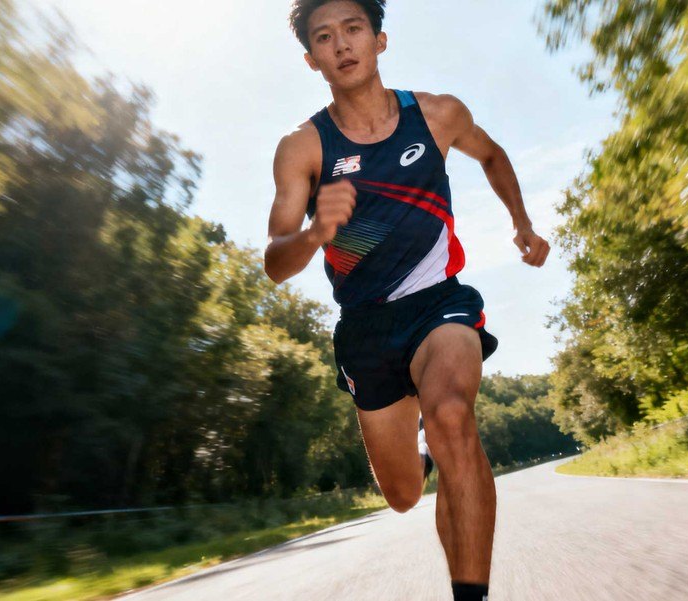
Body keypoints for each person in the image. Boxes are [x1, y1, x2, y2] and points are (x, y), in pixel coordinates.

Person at [263, 1, 549, 599]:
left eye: (353, 29)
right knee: (401, 496)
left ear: (380, 39)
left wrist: (521, 222)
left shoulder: (438, 114)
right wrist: (315, 234)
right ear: (311, 59)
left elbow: (491, 154)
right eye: (324, 37)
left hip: (439, 302)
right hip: (366, 329)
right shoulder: (303, 148)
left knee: (451, 415)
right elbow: (275, 263)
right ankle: (421, 448)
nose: (342, 45)